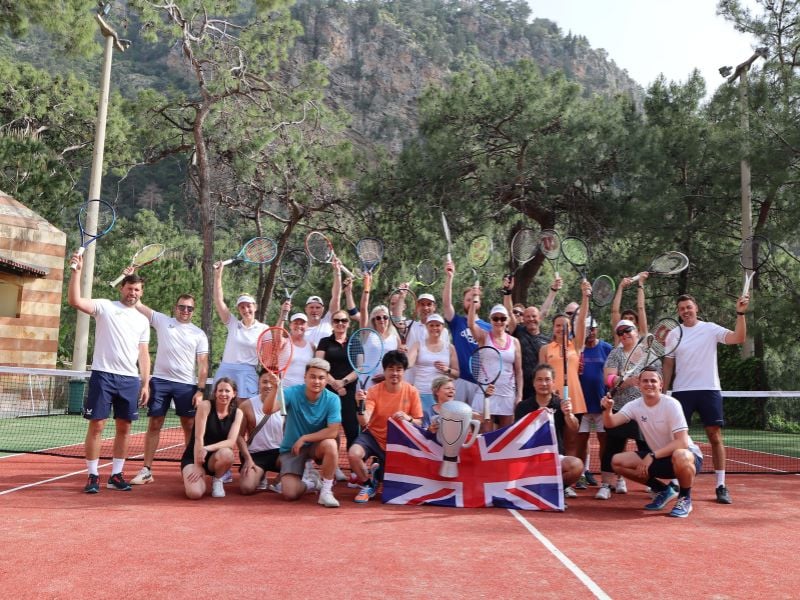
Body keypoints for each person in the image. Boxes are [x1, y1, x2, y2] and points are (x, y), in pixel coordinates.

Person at [68, 253, 150, 493]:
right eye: (129, 288)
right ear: (121, 288)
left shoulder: (142, 321)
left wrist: (145, 383)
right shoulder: (104, 306)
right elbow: (74, 300)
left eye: (137, 290)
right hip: (103, 375)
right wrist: (76, 271)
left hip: (129, 380)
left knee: (124, 428)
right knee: (97, 426)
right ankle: (93, 475)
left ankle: (116, 475)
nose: (132, 293)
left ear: (141, 293)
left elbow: (143, 354)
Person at [662, 293, 750, 505]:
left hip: (709, 389)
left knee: (715, 436)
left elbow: (738, 338)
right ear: (678, 312)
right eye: (682, 308)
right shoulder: (674, 334)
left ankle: (720, 485)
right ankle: (675, 482)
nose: (686, 311)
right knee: (678, 439)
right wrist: (665, 391)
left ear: (696, 308)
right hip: (682, 391)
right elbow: (668, 364)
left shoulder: (710, 329)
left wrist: (740, 313)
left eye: (689, 307)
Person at [601, 367, 703, 518]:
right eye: (645, 381)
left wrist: (652, 455)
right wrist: (607, 410)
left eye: (653, 381)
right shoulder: (635, 405)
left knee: (681, 454)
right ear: (639, 385)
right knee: (616, 461)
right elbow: (610, 423)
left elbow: (681, 442)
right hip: (660, 458)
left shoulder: (672, 404)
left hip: (688, 458)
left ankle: (684, 498)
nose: (649, 384)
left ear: (660, 385)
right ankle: (663, 490)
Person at [131, 293, 209, 486]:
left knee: (189, 425)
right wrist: (131, 276)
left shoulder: (199, 334)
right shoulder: (162, 321)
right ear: (176, 307)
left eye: (189, 308)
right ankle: (146, 470)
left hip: (186, 385)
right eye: (182, 307)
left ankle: (190, 465)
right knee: (155, 423)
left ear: (193, 311)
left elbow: (203, 364)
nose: (185, 311)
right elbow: (138, 304)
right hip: (160, 382)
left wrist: (200, 390)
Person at [349, 350, 423, 503]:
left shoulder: (412, 391)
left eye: (399, 369)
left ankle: (378, 472)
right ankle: (368, 485)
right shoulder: (374, 391)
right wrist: (360, 405)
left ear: (404, 371)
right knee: (353, 454)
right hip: (374, 437)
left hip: (398, 443)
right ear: (384, 371)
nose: (395, 373)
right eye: (391, 369)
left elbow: (419, 423)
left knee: (395, 485)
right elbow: (364, 421)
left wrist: (408, 419)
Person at [597, 318, 653, 499]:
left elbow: (656, 378)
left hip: (644, 409)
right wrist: (624, 381)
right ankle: (606, 484)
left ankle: (652, 484)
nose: (625, 335)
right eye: (620, 333)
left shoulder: (648, 354)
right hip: (620, 408)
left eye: (628, 330)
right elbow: (609, 378)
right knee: (613, 447)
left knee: (647, 448)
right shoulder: (615, 353)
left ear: (636, 331)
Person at [278, 358, 342, 508]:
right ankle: (312, 483)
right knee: (289, 494)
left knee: (331, 444)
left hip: (317, 446)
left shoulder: (333, 399)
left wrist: (305, 438)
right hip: (293, 447)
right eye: (312, 376)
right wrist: (276, 388)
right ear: (305, 377)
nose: (317, 381)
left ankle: (326, 492)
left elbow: (333, 431)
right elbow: (268, 409)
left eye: (321, 378)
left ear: (326, 380)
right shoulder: (291, 392)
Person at [538, 280, 590, 461]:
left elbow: (582, 319)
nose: (561, 328)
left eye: (565, 325)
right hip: (552, 398)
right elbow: (541, 375)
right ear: (553, 328)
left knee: (572, 440)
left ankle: (571, 481)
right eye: (558, 325)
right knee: (553, 440)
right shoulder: (545, 349)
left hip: (574, 397)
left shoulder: (576, 345)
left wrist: (585, 296)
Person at [514, 364, 584, 495]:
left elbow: (574, 428)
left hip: (553, 458)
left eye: (547, 379)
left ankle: (553, 490)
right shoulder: (523, 406)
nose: (543, 383)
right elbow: (517, 435)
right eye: (539, 380)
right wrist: (536, 418)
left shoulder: (561, 404)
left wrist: (568, 414)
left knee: (576, 465)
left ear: (553, 382)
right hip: (528, 458)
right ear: (533, 383)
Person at [180, 377, 244, 499]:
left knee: (227, 453)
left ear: (234, 394)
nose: (223, 394)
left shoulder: (238, 413)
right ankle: (197, 478)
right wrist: (198, 466)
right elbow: (198, 438)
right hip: (194, 456)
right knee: (195, 494)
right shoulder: (205, 406)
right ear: (215, 393)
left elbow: (231, 442)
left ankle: (217, 480)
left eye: (227, 391)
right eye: (220, 391)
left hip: (215, 458)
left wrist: (207, 448)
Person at [212, 262, 268, 399]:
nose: (246, 310)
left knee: (244, 408)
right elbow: (219, 301)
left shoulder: (264, 329)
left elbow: (268, 354)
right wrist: (218, 276)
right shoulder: (232, 323)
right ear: (238, 310)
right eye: (242, 307)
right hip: (226, 369)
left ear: (255, 307)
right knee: (218, 406)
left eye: (248, 306)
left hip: (248, 371)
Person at [238, 370, 296, 495]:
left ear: (278, 383)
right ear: (258, 383)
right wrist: (248, 459)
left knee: (295, 461)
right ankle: (260, 474)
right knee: (246, 488)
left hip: (279, 454)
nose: (268, 385)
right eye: (264, 382)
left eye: (272, 382)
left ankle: (277, 481)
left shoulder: (285, 403)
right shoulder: (246, 406)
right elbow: (239, 436)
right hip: (256, 455)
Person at [442, 258, 490, 405]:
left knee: (478, 422)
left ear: (480, 302)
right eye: (468, 299)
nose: (471, 302)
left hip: (481, 381)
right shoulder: (457, 322)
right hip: (459, 380)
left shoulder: (488, 327)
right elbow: (446, 304)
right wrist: (450, 278)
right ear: (463, 302)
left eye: (474, 299)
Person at [468, 301, 522, 430]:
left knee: (505, 435)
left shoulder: (515, 342)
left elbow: (519, 372)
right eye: (495, 318)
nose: (499, 321)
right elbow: (470, 324)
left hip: (507, 392)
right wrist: (474, 302)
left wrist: (519, 395)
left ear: (508, 320)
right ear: (490, 320)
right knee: (485, 434)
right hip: (486, 392)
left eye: (502, 318)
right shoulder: (483, 337)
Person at [575, 317, 612, 490]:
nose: (590, 333)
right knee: (581, 441)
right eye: (587, 329)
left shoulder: (606, 348)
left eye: (593, 329)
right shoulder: (578, 350)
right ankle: (580, 474)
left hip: (601, 405)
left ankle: (606, 476)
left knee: (604, 440)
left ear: (597, 329)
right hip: (582, 405)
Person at [315, 309, 360, 450]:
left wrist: (344, 382)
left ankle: (354, 469)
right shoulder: (324, 342)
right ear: (332, 323)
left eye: (344, 320)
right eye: (337, 320)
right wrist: (335, 384)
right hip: (328, 392)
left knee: (352, 429)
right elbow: (318, 364)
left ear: (348, 323)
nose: (340, 323)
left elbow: (360, 368)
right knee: (330, 431)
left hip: (349, 393)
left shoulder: (355, 342)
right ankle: (333, 467)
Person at [407, 313, 459, 426]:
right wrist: (402, 355)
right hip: (421, 393)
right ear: (427, 326)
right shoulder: (418, 344)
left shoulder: (450, 348)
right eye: (431, 325)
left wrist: (447, 370)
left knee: (442, 427)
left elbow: (456, 373)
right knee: (421, 427)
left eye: (438, 325)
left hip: (441, 396)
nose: (435, 328)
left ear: (442, 327)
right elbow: (408, 364)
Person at [358, 272, 400, 388]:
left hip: (388, 383)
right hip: (367, 382)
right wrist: (367, 287)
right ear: (373, 319)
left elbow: (398, 361)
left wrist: (386, 375)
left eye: (385, 317)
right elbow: (363, 308)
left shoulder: (394, 337)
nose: (382, 320)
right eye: (378, 317)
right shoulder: (367, 333)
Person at [304, 258, 342, 347]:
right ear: (306, 309)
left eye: (318, 307)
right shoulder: (300, 329)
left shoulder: (328, 321)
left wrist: (337, 272)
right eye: (311, 307)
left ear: (323, 309)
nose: (314, 310)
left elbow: (336, 296)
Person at [611, 273, 649, 345]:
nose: (627, 320)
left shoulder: (642, 336)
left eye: (631, 319)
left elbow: (641, 308)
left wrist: (640, 283)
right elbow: (615, 311)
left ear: (637, 324)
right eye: (625, 318)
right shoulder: (619, 338)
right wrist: (621, 287)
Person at [280, 310, 316, 388]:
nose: (299, 326)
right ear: (290, 325)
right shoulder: (284, 342)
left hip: (304, 390)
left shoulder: (311, 345)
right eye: (295, 323)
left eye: (302, 323)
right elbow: (277, 335)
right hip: (284, 389)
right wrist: (283, 314)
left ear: (307, 326)